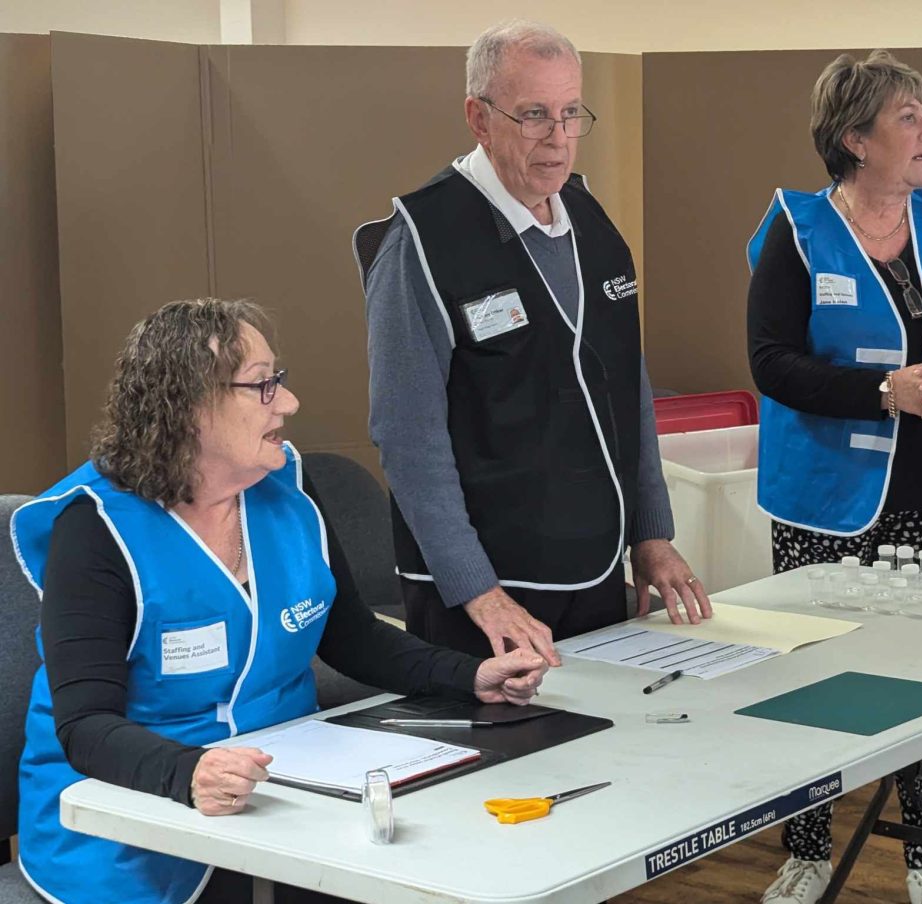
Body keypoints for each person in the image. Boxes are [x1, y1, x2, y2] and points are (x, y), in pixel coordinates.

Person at [11, 299, 549, 904]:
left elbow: (351, 636)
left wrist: (471, 674)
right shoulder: (97, 528)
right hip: (131, 802)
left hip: (286, 784)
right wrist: (187, 772)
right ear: (191, 407)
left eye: (280, 381)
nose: (288, 403)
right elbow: (85, 727)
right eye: (263, 386)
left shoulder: (286, 488)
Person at [746, 51, 922, 904]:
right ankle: (805, 849)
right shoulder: (797, 232)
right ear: (854, 139)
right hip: (821, 502)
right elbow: (772, 364)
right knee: (812, 677)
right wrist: (882, 389)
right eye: (908, 116)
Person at [355, 20, 711, 664]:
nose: (557, 138)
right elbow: (408, 438)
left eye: (571, 114)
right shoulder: (422, 241)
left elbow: (626, 391)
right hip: (487, 595)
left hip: (596, 570)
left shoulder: (592, 222)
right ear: (479, 117)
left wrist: (651, 534)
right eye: (534, 115)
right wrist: (477, 590)